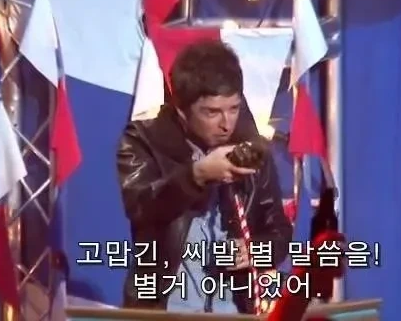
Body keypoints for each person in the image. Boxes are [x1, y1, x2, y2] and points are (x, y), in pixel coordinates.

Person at [116, 39, 292, 313]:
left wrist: (254, 251)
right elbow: (142, 206)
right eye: (212, 112)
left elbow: (279, 232)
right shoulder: (143, 141)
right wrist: (196, 175)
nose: (226, 124)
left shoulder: (251, 149)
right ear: (182, 111)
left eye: (233, 109)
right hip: (165, 311)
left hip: (234, 310)